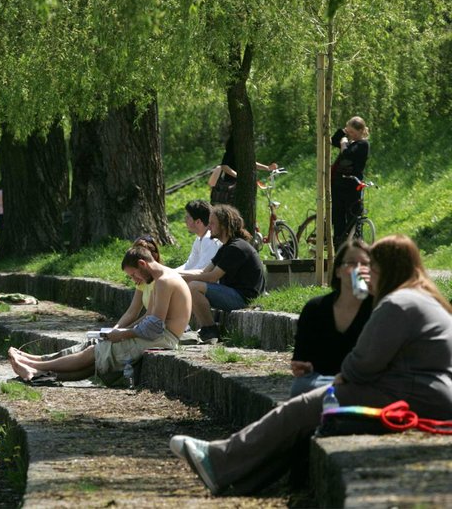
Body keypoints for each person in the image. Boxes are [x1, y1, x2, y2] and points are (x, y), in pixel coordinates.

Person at [170, 234, 452, 496]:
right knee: (310, 415)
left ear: (386, 269)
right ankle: (236, 477)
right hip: (421, 392)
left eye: (372, 268)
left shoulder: (397, 303)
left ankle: (220, 461)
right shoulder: (421, 298)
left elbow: (363, 363)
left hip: (411, 393)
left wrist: (344, 376)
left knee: (303, 408)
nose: (368, 276)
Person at [8, 242, 192, 383]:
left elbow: (153, 326)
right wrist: (120, 332)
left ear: (142, 263)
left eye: (134, 274)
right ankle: (41, 374)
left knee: (94, 351)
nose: (135, 280)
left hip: (163, 339)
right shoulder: (162, 278)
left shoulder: (164, 281)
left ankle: (34, 366)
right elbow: (150, 319)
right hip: (162, 336)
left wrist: (122, 334)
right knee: (95, 361)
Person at [290, 239, 373, 397]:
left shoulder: (378, 308)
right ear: (338, 271)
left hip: (360, 381)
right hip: (323, 380)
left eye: (365, 264)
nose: (358, 269)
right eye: (351, 263)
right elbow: (301, 357)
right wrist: (302, 366)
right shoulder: (315, 308)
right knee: (300, 387)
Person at [179, 204, 265, 344]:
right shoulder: (226, 247)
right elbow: (203, 271)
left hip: (244, 299)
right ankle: (205, 330)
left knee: (194, 286)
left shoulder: (236, 248)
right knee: (192, 284)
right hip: (234, 294)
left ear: (224, 225)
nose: (209, 226)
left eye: (212, 223)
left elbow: (212, 277)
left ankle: (210, 330)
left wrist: (184, 278)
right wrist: (173, 275)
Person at [330, 116, 370, 248]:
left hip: (352, 187)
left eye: (353, 132)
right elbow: (333, 140)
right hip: (338, 186)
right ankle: (338, 248)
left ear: (360, 131)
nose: (350, 135)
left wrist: (343, 143)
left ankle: (354, 247)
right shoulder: (350, 141)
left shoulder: (362, 145)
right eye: (350, 132)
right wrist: (344, 132)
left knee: (352, 218)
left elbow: (347, 154)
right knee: (338, 218)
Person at [209, 137, 278, 205]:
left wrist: (268, 168)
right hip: (230, 186)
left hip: (242, 185)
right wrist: (238, 176)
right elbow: (224, 166)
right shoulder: (230, 152)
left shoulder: (244, 152)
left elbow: (250, 163)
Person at [176, 200, 221, 275]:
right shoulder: (200, 238)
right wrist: (170, 272)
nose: (185, 220)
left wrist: (174, 275)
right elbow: (189, 265)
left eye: (188, 217)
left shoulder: (209, 239)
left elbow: (202, 270)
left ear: (198, 222)